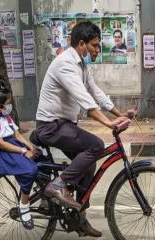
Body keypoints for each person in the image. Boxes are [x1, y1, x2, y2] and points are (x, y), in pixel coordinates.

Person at [33, 22, 134, 237]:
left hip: (64, 124)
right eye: (95, 46)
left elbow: (95, 92)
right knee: (96, 145)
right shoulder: (65, 65)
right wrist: (107, 123)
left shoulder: (81, 65)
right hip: (51, 126)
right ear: (81, 44)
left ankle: (79, 219)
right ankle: (58, 185)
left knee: (88, 165)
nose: (98, 50)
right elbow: (85, 99)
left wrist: (119, 114)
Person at [0, 80, 39, 230]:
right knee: (30, 170)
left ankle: (43, 196)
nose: (9, 105)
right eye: (7, 103)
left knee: (41, 159)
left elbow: (17, 134)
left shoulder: (5, 116)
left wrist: (30, 146)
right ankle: (24, 206)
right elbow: (0, 143)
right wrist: (23, 151)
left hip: (14, 146)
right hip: (4, 153)